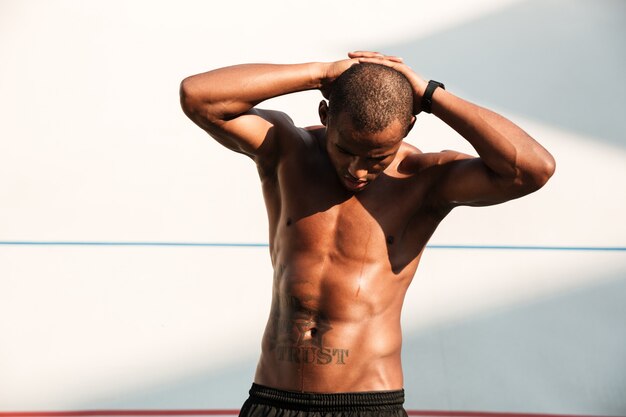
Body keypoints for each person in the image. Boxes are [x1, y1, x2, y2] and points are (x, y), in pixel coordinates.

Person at [179, 51, 555, 417]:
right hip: (271, 399)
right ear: (326, 115)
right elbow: (198, 96)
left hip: (366, 406)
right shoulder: (287, 152)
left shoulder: (424, 180)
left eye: (377, 158)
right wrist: (323, 73)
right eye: (345, 150)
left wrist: (429, 94)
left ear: (408, 126)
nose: (358, 171)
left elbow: (532, 169)